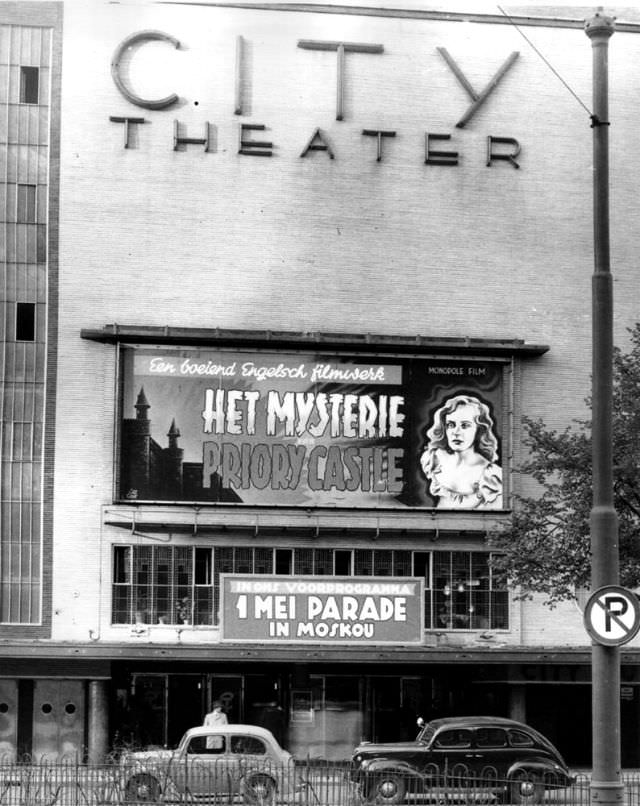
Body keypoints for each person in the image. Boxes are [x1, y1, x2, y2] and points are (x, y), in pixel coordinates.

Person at [420, 394, 502, 509]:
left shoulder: (491, 475)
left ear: (479, 430)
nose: (456, 432)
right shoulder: (433, 459)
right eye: (451, 425)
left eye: (465, 425)